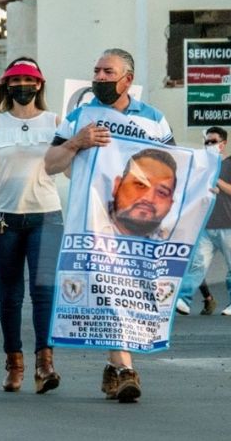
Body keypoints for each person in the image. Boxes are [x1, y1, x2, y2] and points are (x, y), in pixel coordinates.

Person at [44, 48, 175, 403]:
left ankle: (112, 366)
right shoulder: (79, 116)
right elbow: (51, 164)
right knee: (108, 289)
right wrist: (77, 142)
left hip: (137, 226)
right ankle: (126, 369)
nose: (99, 77)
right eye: (96, 71)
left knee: (124, 293)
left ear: (127, 79)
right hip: (92, 224)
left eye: (108, 72)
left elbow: (176, 165)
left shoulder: (154, 120)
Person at [0, 57, 63, 395]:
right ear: (7, 85)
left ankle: (45, 363)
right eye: (15, 80)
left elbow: (69, 165)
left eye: (28, 80)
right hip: (5, 217)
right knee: (9, 294)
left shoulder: (55, 121)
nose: (22, 85)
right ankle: (14, 362)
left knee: (44, 290)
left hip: (46, 215)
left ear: (39, 84)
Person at [178, 127, 231, 315]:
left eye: (213, 141)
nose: (209, 145)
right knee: (197, 265)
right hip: (207, 225)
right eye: (206, 142)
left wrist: (217, 182)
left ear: (223, 144)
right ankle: (183, 300)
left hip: (228, 224)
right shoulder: (202, 164)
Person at [97, 148, 177, 239]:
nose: (149, 198)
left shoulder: (175, 241)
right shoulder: (87, 221)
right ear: (117, 185)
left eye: (162, 192)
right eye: (140, 184)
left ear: (170, 204)